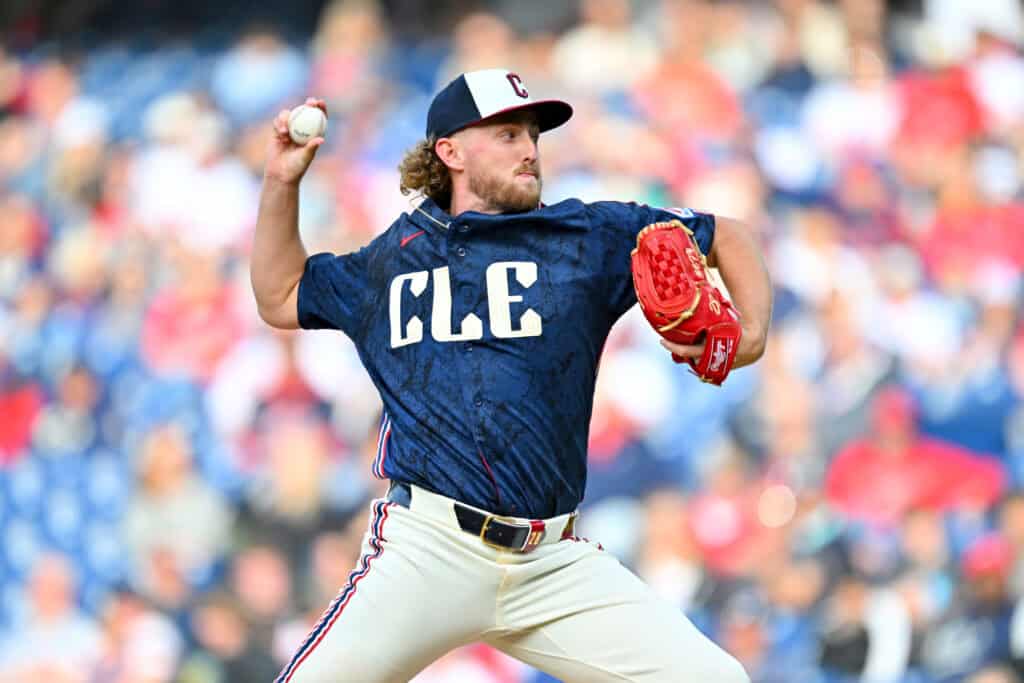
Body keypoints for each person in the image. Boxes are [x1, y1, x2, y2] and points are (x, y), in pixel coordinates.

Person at [251, 68, 771, 682]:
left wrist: (751, 334)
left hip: (550, 562)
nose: (529, 149)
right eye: (506, 134)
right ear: (450, 152)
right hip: (429, 551)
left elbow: (728, 234)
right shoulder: (391, 262)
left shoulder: (587, 237)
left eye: (532, 134)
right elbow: (280, 295)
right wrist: (282, 183)